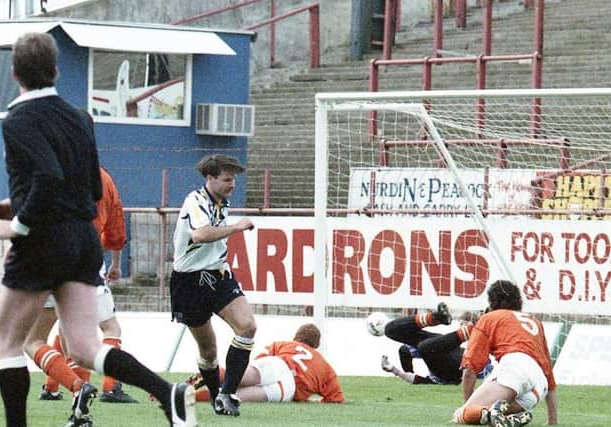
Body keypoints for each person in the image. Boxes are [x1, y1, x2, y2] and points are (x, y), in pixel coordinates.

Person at [0, 32, 194, 427]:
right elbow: (94, 187)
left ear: (14, 73)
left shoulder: (18, 119)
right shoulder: (80, 116)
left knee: (5, 341)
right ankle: (167, 393)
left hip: (43, 240)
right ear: (57, 70)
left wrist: (15, 225)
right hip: (83, 238)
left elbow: (47, 177)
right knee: (83, 346)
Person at [23, 166, 138, 409]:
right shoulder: (104, 178)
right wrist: (115, 262)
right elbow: (116, 229)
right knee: (106, 327)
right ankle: (110, 385)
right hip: (86, 262)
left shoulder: (47, 173)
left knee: (36, 338)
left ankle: (68, 386)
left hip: (47, 261)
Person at [170, 154, 256, 416]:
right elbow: (201, 234)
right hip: (189, 282)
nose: (232, 185)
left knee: (247, 326)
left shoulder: (221, 202)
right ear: (210, 178)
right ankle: (218, 396)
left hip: (217, 275)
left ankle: (228, 393)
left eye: (234, 180)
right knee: (208, 351)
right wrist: (236, 227)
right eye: (227, 180)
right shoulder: (194, 201)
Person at [452, 280, 557, 427]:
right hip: (538, 386)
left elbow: (470, 367)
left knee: (461, 415)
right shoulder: (535, 321)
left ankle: (486, 413)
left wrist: (468, 407)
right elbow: (549, 373)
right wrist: (553, 421)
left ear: (492, 303)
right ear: (519, 301)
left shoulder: (490, 318)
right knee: (493, 414)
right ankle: (505, 418)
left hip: (516, 368)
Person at [190, 323, 344, 404]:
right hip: (289, 388)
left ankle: (211, 374)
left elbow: (259, 360)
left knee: (242, 376)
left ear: (296, 337)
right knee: (241, 396)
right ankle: (198, 397)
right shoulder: (325, 366)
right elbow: (336, 398)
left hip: (278, 364)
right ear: (316, 345)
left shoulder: (283, 344)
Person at [379, 307, 492, 385]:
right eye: (461, 323)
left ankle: (474, 329)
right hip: (442, 353)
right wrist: (394, 370)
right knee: (390, 330)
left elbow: (487, 372)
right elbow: (418, 379)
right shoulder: (433, 362)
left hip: (455, 370)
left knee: (425, 347)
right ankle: (435, 317)